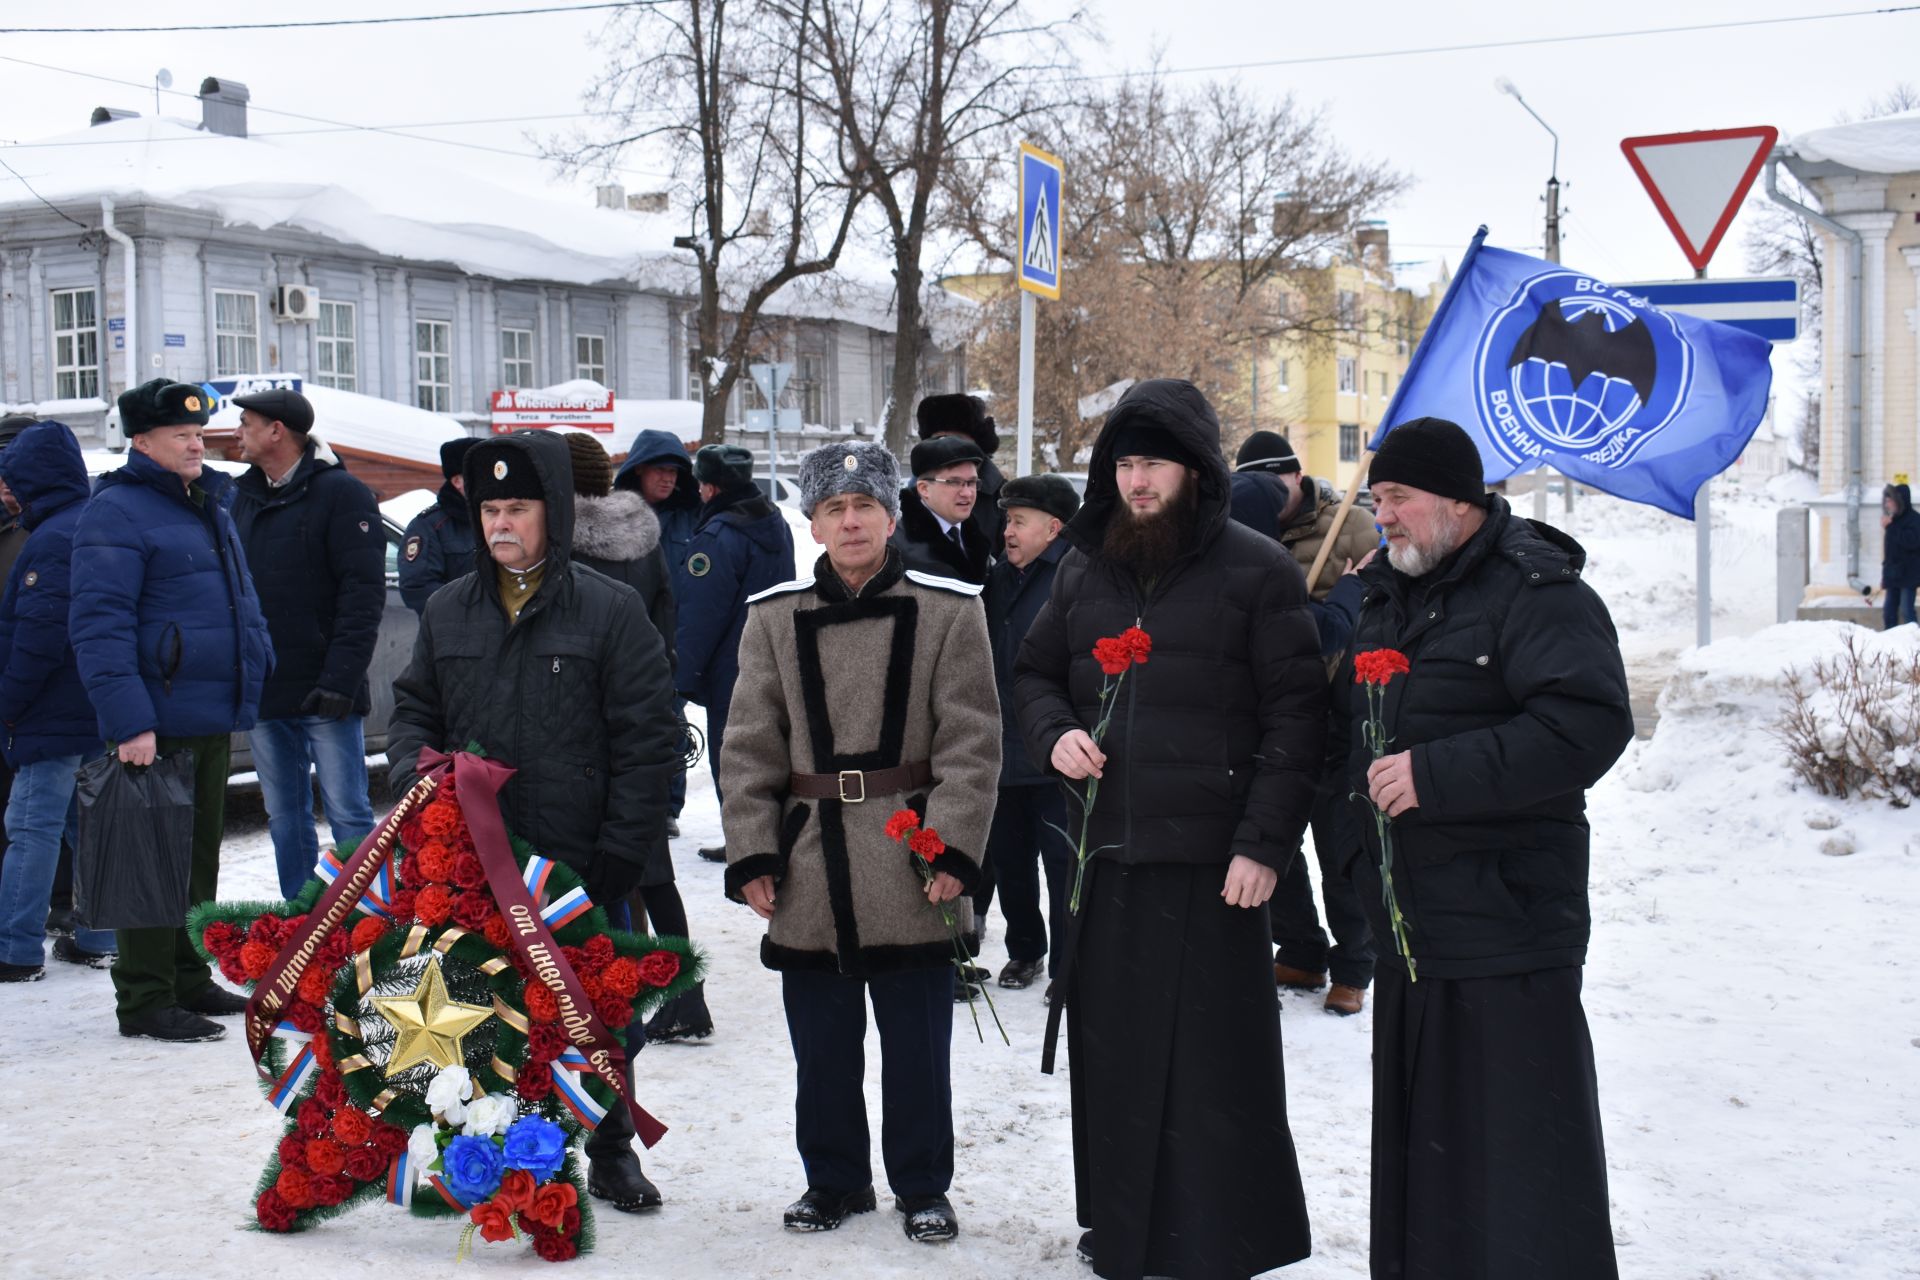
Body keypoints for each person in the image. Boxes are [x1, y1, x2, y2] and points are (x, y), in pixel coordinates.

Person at [1014, 378, 1323, 1280]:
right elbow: (1031, 675)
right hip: (1107, 860)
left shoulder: (1257, 568)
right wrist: (1057, 733)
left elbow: (1298, 721)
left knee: (1214, 1067)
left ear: (1194, 471)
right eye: (1123, 462)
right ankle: (1122, 1227)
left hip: (1215, 866)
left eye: (1151, 463)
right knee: (1114, 1064)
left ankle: (1223, 1235)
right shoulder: (1085, 566)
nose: (1135, 480)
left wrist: (1264, 843)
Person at [1329, 416, 1634, 1280]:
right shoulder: (1386, 590)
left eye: (1395, 498)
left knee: (1523, 1164)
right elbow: (1349, 730)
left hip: (1508, 926)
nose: (1380, 516)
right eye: (1375, 497)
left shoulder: (1540, 593)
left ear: (1459, 502)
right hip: (1415, 925)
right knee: (1429, 1163)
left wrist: (1438, 774)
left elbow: (1589, 724)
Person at [387, 428, 681, 1213]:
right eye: (489, 509)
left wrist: (625, 849)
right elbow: (414, 710)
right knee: (477, 1013)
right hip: (476, 866)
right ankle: (482, 1156)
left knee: (598, 1018)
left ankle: (612, 1153)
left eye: (517, 507)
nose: (500, 524)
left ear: (552, 511)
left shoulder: (611, 611)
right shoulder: (450, 610)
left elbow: (650, 741)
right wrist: (416, 776)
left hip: (578, 864)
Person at [720, 440, 1000, 1244]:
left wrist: (952, 849)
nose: (851, 522)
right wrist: (754, 851)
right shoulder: (774, 618)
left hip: (911, 858)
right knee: (823, 1047)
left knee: (918, 1045)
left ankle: (923, 1186)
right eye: (834, 509)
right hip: (809, 860)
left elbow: (972, 743)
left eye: (864, 507)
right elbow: (748, 745)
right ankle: (833, 1180)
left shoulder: (951, 610)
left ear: (889, 515)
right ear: (812, 522)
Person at [69, 378, 274, 1043]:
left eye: (198, 433)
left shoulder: (205, 501)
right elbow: (100, 625)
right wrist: (129, 721)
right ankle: (146, 996)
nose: (196, 443)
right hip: (155, 718)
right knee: (150, 861)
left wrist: (258, 658)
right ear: (142, 441)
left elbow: (236, 598)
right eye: (181, 435)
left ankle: (186, 974)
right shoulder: (118, 512)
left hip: (208, 709)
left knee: (197, 860)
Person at [1230, 429, 1381, 1015]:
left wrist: (1348, 602)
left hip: (1338, 715)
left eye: (1278, 484)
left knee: (1342, 848)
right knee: (1274, 844)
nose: (1272, 497)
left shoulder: (1352, 527)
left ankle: (1353, 965)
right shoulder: (1245, 529)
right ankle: (1300, 948)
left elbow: (1371, 608)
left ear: (1297, 476)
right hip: (1272, 718)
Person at [564, 430, 708, 1045]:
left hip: (586, 735)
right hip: (643, 722)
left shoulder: (563, 547)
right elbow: (668, 621)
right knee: (653, 873)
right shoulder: (643, 538)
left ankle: (621, 999)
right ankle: (687, 998)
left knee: (609, 878)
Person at [231, 388, 385, 901]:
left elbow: (362, 596)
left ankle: (376, 928)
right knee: (284, 816)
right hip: (267, 689)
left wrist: (341, 679)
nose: (239, 433)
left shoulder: (342, 493)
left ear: (278, 431)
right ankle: (302, 929)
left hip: (326, 689)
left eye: (247, 423)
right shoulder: (241, 497)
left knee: (349, 816)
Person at [0, 421, 117, 981]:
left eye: (12, 479)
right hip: (94, 703)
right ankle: (98, 935)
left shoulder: (50, 538)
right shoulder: (88, 522)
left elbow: (39, 637)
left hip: (51, 709)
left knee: (31, 827)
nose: (6, 490)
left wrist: (9, 703)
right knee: (85, 824)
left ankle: (15, 949)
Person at [979, 473, 1079, 991]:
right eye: (1006, 521)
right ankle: (1025, 950)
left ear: (1054, 527)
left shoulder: (1076, 576)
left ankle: (1068, 964)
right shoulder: (1000, 577)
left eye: (1018, 521)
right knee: (1010, 861)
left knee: (1063, 866)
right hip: (1001, 751)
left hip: (1054, 752)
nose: (1008, 532)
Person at [674, 443, 795, 870]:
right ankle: (769, 835)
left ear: (707, 487)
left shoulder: (717, 536)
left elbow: (699, 613)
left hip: (730, 669)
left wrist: (682, 678)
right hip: (775, 657)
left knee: (732, 757)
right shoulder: (774, 522)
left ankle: (744, 842)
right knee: (769, 754)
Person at [615, 428, 702, 834]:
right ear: (639, 471)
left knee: (672, 723)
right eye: (659, 470)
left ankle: (669, 807)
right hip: (627, 638)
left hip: (676, 637)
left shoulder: (691, 518)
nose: (667, 478)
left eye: (673, 471)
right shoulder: (617, 516)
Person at [889, 435, 991, 585]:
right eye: (954, 482)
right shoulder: (893, 543)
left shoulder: (978, 533)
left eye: (972, 482)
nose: (967, 493)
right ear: (924, 489)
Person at [915, 393, 1006, 555]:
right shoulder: (903, 501)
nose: (950, 448)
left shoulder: (1004, 501)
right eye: (940, 439)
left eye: (958, 440)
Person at [399, 438, 478, 615]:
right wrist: (474, 610)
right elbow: (417, 589)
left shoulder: (501, 520)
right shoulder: (428, 526)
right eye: (479, 474)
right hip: (453, 635)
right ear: (458, 481)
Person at [1880, 482, 1919, 628]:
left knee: (1907, 610)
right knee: (1889, 612)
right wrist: (1885, 577)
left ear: (1899, 501)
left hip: (1909, 575)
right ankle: (1890, 644)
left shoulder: (1914, 520)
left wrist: (1890, 527)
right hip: (1893, 575)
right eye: (1886, 500)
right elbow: (1889, 552)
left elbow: (1911, 542)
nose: (1887, 504)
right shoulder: (1893, 521)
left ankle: (1915, 644)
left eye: (1890, 500)